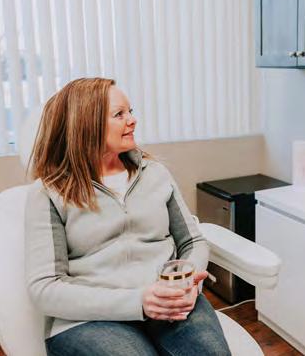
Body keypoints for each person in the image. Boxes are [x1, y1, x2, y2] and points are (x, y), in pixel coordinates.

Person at [25, 78, 231, 356]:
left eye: (130, 111)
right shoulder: (49, 192)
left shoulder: (154, 173)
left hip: (167, 298)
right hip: (89, 318)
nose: (133, 120)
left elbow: (192, 241)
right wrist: (139, 302)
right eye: (119, 114)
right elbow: (45, 288)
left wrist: (187, 280)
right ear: (86, 123)